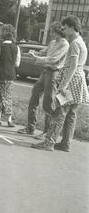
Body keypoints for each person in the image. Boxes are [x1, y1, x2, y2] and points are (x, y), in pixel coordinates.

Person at [32, 15, 89, 152]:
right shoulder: (81, 41)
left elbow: (73, 66)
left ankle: (49, 143)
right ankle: (65, 143)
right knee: (71, 114)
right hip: (79, 80)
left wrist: (63, 85)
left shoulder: (74, 43)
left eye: (65, 28)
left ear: (71, 27)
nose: (64, 30)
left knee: (59, 112)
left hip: (71, 81)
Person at [17, 22, 69, 139]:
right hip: (45, 72)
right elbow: (43, 52)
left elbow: (53, 59)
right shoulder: (52, 42)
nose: (51, 34)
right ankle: (30, 127)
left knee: (48, 103)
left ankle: (47, 132)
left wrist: (37, 58)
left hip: (53, 74)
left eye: (53, 32)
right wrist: (33, 53)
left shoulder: (64, 44)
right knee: (34, 96)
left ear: (59, 32)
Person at [0, 24, 21, 127]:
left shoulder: (0, 46)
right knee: (7, 97)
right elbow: (17, 64)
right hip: (10, 76)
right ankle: (9, 119)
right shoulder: (17, 48)